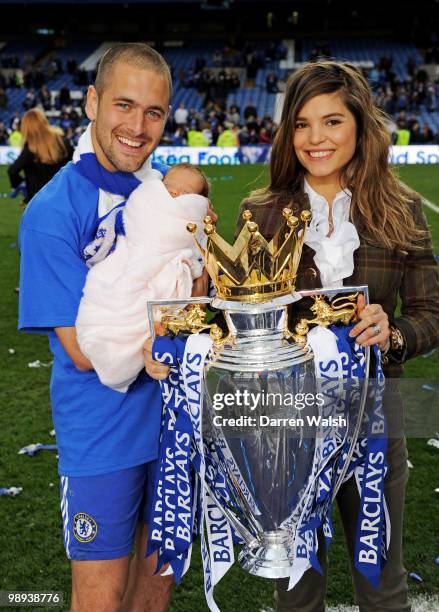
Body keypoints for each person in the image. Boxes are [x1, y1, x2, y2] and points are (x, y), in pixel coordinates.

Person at [229, 61, 439, 611]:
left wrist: (391, 332)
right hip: (289, 424)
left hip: (376, 418)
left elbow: (430, 316)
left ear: (359, 126)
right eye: (301, 124)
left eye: (331, 121)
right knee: (297, 592)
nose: (315, 139)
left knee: (382, 584)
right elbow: (234, 322)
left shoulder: (402, 210)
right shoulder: (260, 214)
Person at [18, 43, 212, 612]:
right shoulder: (53, 212)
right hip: (101, 436)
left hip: (175, 427)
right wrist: (170, 322)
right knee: (101, 600)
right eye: (124, 106)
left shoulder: (172, 201)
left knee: (153, 596)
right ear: (93, 102)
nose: (138, 126)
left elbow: (198, 306)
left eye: (154, 112)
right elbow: (82, 351)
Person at [76, 163, 210, 392]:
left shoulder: (198, 232)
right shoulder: (135, 209)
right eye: (168, 187)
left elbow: (199, 285)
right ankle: (109, 341)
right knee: (112, 294)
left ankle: (125, 351)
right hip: (127, 271)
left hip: (163, 280)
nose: (174, 193)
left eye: (186, 193)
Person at [8, 108, 73, 205]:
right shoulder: (62, 141)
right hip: (63, 197)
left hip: (38, 201)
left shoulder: (30, 148)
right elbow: (77, 165)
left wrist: (21, 185)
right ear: (44, 121)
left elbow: (12, 171)